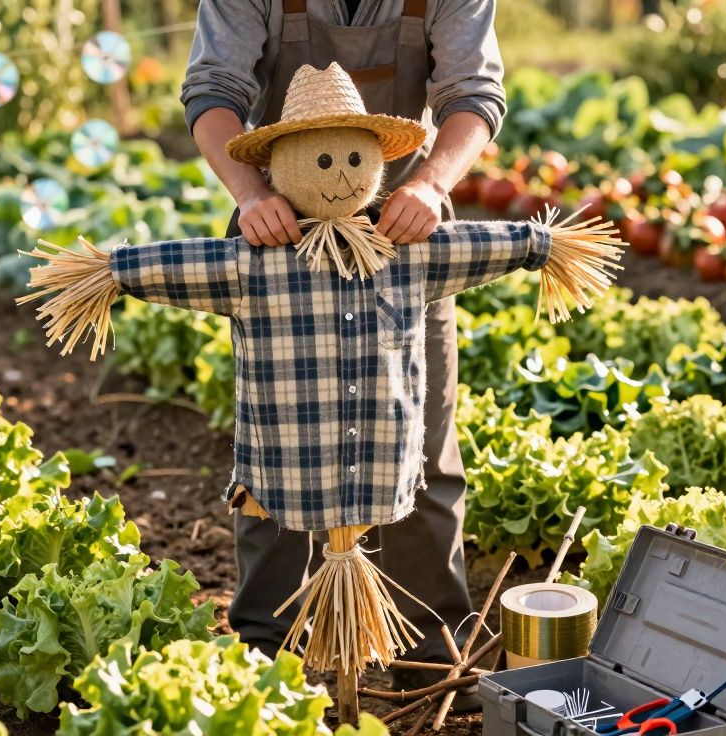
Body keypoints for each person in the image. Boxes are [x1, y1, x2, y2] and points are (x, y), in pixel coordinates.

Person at [181, 0, 505, 697]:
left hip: (404, 229)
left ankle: (425, 654)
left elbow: (473, 94)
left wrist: (429, 182)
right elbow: (214, 89)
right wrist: (247, 195)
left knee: (420, 441)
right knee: (277, 444)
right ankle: (273, 657)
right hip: (278, 231)